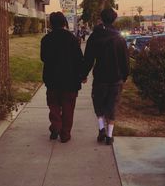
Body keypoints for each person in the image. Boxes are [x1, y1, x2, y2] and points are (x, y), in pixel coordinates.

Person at [83, 8, 130, 145]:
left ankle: (101, 128)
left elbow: (88, 59)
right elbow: (125, 60)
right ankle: (109, 136)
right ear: (114, 19)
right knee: (112, 105)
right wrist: (125, 76)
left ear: (101, 18)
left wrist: (83, 74)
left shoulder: (94, 36)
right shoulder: (119, 38)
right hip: (116, 79)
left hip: (100, 78)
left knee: (98, 104)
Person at [41, 12, 83, 142]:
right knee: (68, 108)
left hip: (52, 79)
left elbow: (43, 58)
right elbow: (79, 60)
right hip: (70, 81)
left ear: (51, 23)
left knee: (53, 105)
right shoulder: (72, 39)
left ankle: (55, 126)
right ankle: (65, 134)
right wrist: (82, 76)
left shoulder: (46, 39)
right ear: (64, 22)